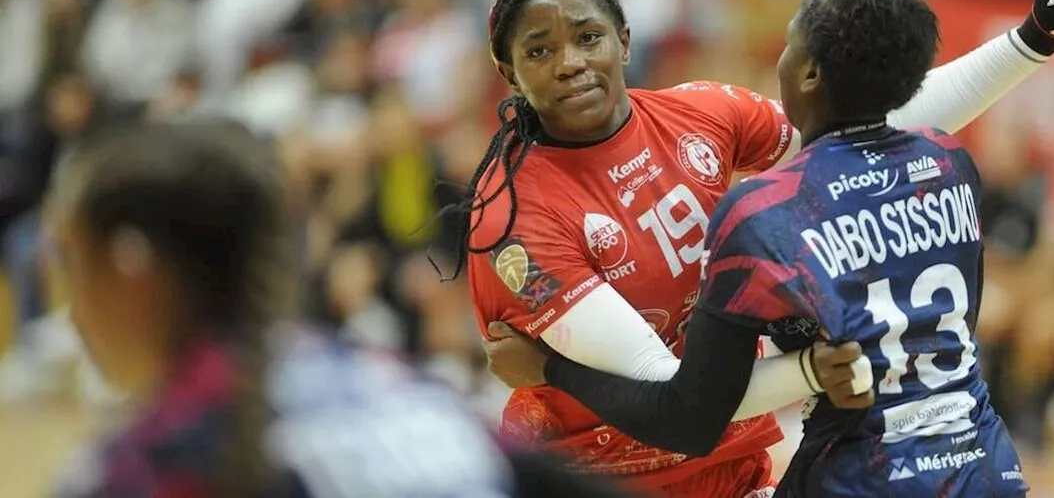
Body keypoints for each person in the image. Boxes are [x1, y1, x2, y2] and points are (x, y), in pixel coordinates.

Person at [463, 0, 1054, 496]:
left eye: (587, 36)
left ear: (624, 40)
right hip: (591, 476)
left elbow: (861, 123)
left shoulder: (703, 114)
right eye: (539, 51)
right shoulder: (513, 218)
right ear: (508, 71)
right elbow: (668, 392)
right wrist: (816, 372)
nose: (570, 63)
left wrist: (1032, 38)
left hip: (729, 465)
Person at [45, 118, 639, 498]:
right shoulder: (392, 385)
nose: (72, 313)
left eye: (74, 269)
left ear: (133, 269)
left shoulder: (150, 463)